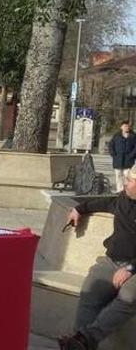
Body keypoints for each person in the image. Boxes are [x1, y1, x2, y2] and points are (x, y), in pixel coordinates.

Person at [57, 167, 136, 349]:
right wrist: (78, 209)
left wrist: (130, 268)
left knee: (128, 296)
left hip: (133, 268)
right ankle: (79, 343)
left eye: (130, 180)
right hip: (112, 261)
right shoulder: (122, 199)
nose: (124, 183)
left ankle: (84, 340)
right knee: (90, 292)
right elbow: (101, 202)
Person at [107, 120, 136, 193]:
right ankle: (119, 191)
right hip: (118, 160)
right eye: (125, 126)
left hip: (129, 161)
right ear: (121, 127)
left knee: (127, 177)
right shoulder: (116, 136)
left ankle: (126, 192)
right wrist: (113, 154)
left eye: (128, 126)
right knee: (118, 176)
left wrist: (132, 155)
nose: (127, 127)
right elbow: (111, 145)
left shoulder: (133, 136)